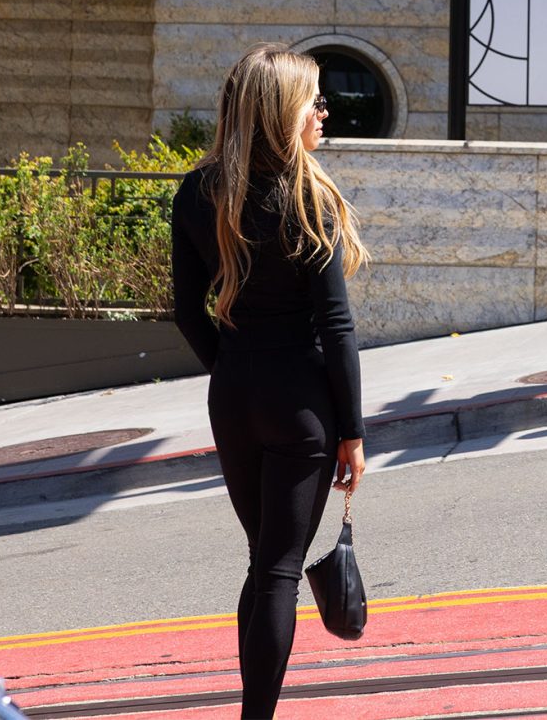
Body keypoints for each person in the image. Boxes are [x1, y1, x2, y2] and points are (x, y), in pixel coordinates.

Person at [172, 45, 369, 719]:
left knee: (265, 563)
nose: (324, 109)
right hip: (300, 405)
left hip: (234, 396)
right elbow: (336, 328)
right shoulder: (306, 195)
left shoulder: (199, 192)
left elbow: (183, 309)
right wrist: (353, 432)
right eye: (312, 99)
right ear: (282, 111)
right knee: (279, 568)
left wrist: (230, 365)